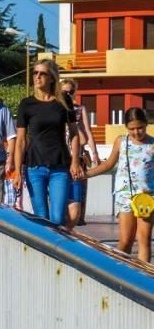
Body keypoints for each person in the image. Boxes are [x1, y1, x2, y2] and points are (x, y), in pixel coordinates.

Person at [14, 59, 83, 225]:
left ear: (52, 78)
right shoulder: (26, 104)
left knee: (57, 218)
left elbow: (74, 133)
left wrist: (75, 161)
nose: (37, 77)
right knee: (41, 218)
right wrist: (17, 171)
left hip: (59, 166)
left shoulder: (64, 101)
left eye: (42, 73)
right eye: (35, 73)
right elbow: (21, 141)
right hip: (34, 167)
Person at [86, 107, 154, 264]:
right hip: (125, 196)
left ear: (146, 124)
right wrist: (88, 174)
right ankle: (117, 271)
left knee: (144, 239)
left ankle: (143, 277)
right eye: (132, 129)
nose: (137, 132)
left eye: (140, 128)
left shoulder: (152, 144)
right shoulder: (121, 142)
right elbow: (109, 164)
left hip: (146, 197)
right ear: (126, 127)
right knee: (126, 240)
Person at [59, 78, 100, 231]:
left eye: (71, 91)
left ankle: (77, 219)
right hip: (61, 157)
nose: (68, 94)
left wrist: (95, 153)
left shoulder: (80, 109)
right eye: (65, 91)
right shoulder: (56, 108)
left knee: (79, 190)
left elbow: (87, 134)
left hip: (77, 155)